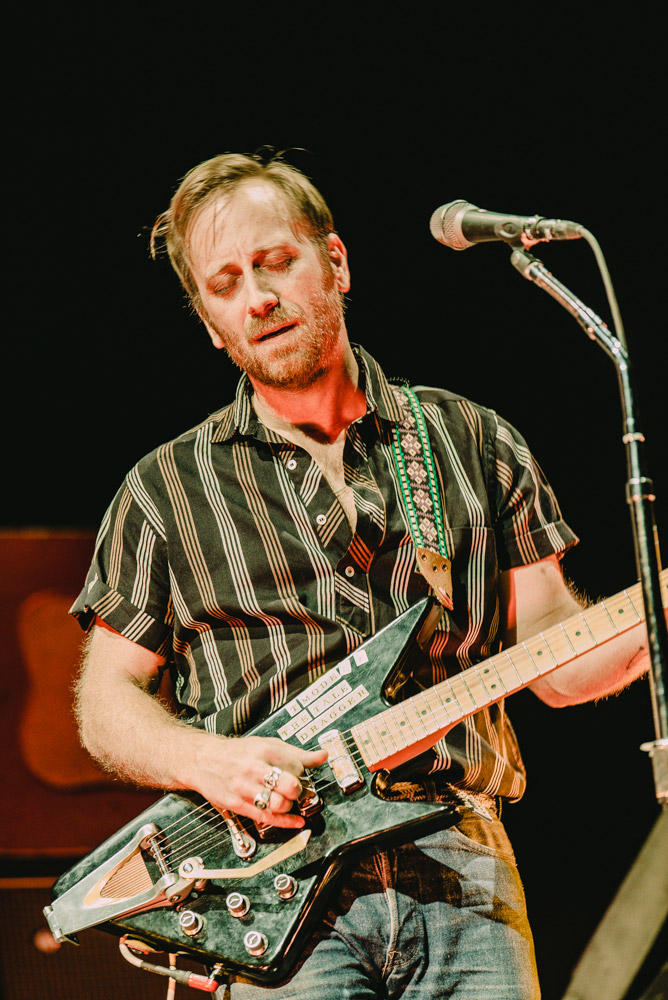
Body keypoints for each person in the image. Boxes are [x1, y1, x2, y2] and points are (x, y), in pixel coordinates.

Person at [72, 152, 651, 999]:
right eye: (225, 284)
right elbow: (105, 702)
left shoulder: (472, 440)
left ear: (335, 263)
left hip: (464, 874)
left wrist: (653, 617)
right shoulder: (164, 490)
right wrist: (208, 763)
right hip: (271, 893)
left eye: (274, 264)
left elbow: (559, 665)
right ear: (209, 322)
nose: (257, 298)